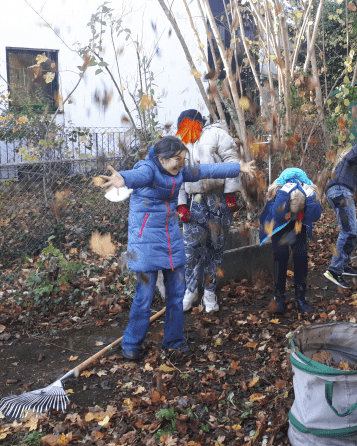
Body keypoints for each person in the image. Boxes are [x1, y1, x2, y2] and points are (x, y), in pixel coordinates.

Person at [100, 136, 256, 361]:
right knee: (143, 297)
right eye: (176, 160)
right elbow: (138, 176)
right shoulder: (148, 169)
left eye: (183, 159)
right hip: (145, 244)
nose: (181, 164)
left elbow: (205, 170)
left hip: (171, 239)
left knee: (176, 295)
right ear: (162, 159)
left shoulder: (180, 172)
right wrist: (122, 178)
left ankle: (173, 341)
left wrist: (237, 167)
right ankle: (131, 343)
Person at [175, 109, 243, 313]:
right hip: (194, 201)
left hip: (218, 200)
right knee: (191, 251)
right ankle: (191, 290)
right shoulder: (183, 141)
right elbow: (176, 173)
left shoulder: (218, 134)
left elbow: (232, 162)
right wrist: (181, 204)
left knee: (215, 248)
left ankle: (210, 291)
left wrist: (230, 193)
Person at [259, 168, 322, 314]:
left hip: (299, 224)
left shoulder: (308, 189)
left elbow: (314, 216)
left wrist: (311, 197)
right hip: (279, 226)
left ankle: (300, 299)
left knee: (301, 257)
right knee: (280, 257)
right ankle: (279, 297)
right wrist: (283, 194)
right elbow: (277, 215)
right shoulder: (277, 189)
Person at [323, 131, 357, 288]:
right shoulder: (351, 158)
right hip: (339, 191)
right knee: (349, 231)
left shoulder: (356, 167)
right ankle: (334, 270)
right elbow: (354, 154)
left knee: (355, 230)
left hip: (342, 193)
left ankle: (343, 265)